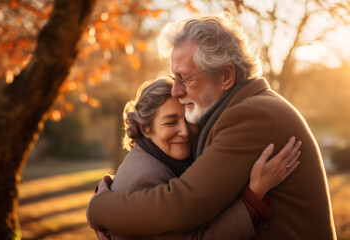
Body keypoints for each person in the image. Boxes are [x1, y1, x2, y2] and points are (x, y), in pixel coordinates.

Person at [88, 13, 336, 239]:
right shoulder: (240, 110)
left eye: (184, 78)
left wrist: (98, 207)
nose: (176, 90)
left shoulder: (251, 115)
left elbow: (181, 206)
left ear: (226, 77)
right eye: (174, 78)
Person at [89, 78, 300, 240]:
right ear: (146, 128)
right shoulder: (146, 177)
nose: (184, 131)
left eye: (189, 119)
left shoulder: (158, 160)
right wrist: (253, 197)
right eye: (171, 122)